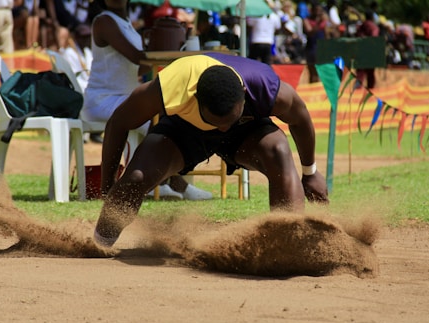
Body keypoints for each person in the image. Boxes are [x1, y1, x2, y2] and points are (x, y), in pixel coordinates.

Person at [92, 53, 329, 248]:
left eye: (228, 119)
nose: (222, 127)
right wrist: (107, 186)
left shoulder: (266, 88)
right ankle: (100, 244)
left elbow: (300, 118)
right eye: (216, 120)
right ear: (196, 99)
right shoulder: (172, 86)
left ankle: (288, 247)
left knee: (277, 150)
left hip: (245, 132)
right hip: (184, 131)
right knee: (135, 178)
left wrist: (310, 172)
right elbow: (118, 123)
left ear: (244, 96)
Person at [82, 0, 212, 200]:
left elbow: (139, 67)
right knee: (158, 115)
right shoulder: (104, 22)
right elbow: (136, 57)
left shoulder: (126, 23)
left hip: (123, 96)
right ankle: (162, 182)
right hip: (102, 99)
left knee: (168, 114)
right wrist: (169, 52)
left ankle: (174, 182)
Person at [355, 9, 379, 89]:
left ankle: (356, 91)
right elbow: (374, 37)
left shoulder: (362, 25)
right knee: (370, 74)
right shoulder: (373, 26)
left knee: (360, 73)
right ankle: (370, 92)